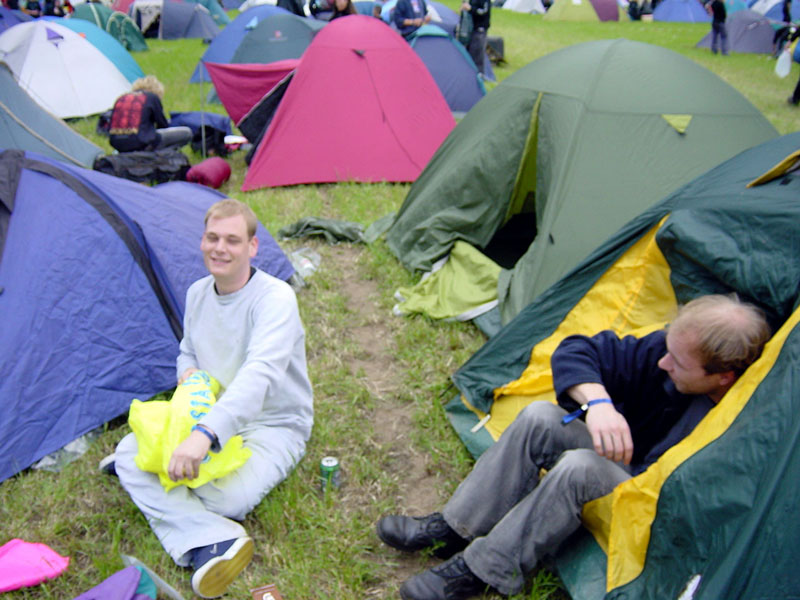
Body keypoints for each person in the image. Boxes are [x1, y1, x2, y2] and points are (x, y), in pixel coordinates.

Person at [377, 295, 770, 600]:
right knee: (539, 418)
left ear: (723, 377)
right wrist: (598, 404)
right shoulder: (670, 352)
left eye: (678, 363)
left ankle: (486, 569)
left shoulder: (740, 421)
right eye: (667, 349)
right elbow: (579, 349)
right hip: (630, 460)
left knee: (580, 466)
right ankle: (456, 527)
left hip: (654, 501)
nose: (664, 363)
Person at [106, 199, 314, 599]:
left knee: (224, 496)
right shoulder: (198, 292)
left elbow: (260, 376)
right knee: (128, 457)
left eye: (233, 240)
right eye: (212, 237)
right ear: (202, 240)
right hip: (208, 410)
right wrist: (188, 375)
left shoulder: (274, 299)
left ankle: (182, 500)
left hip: (272, 425)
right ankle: (214, 540)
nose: (220, 248)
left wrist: (203, 435)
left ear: (252, 247)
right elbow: (188, 351)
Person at [108, 76, 192, 153]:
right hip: (140, 142)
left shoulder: (122, 98)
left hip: (116, 143)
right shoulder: (152, 97)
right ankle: (160, 157)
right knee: (187, 133)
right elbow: (162, 124)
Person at [460, 0, 490, 76]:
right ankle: (469, 74)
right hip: (471, 29)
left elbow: (483, 12)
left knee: (477, 52)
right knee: (469, 51)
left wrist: (471, 8)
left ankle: (479, 74)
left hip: (480, 29)